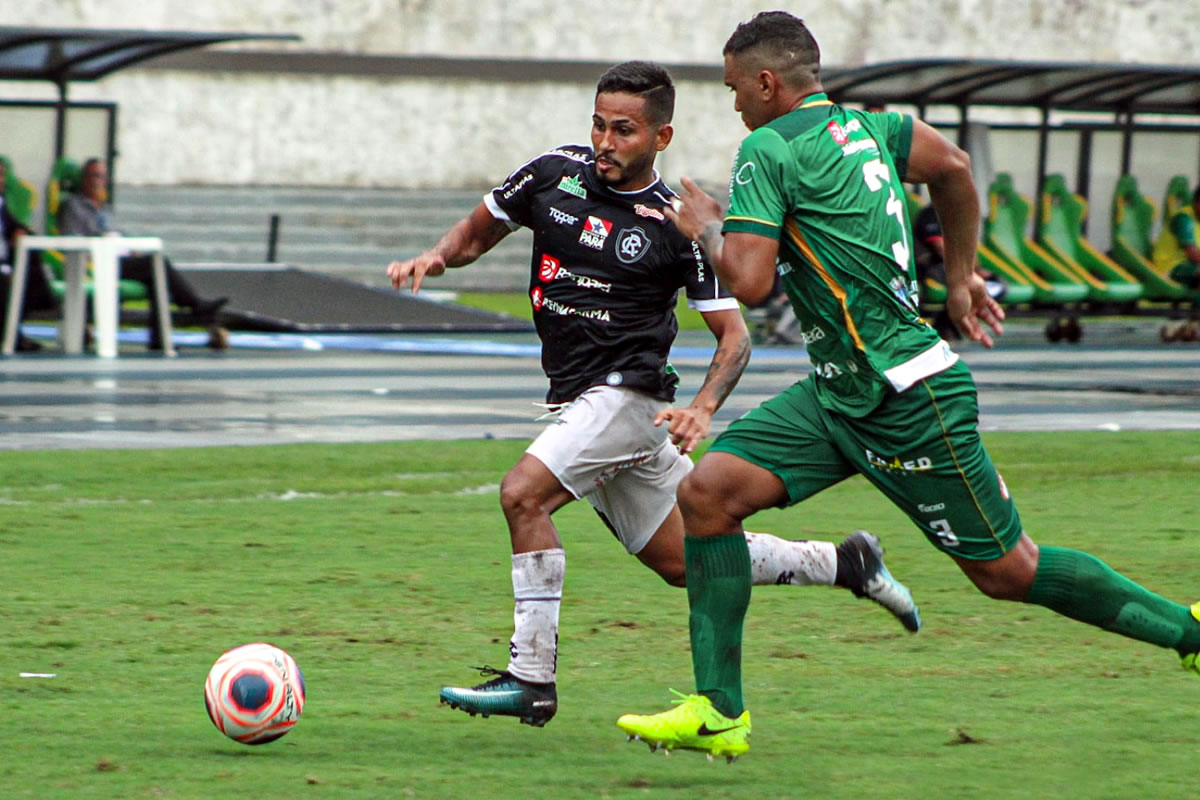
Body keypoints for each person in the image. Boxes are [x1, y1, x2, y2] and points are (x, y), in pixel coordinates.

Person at [617, 11, 1200, 761]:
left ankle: (1189, 632)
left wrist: (706, 226)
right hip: (837, 394)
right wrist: (959, 281)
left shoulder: (766, 147)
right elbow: (953, 165)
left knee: (1007, 571)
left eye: (735, 89)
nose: (734, 105)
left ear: (767, 83)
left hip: (906, 399)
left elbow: (752, 282)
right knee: (708, 495)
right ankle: (719, 710)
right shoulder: (877, 130)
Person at [386, 60, 920, 728]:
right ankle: (845, 563)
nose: (607, 142)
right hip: (579, 402)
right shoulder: (551, 173)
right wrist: (436, 257)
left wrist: (702, 409)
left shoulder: (672, 226)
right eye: (600, 125)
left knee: (522, 493)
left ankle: (531, 679)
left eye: (626, 130)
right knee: (686, 562)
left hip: (630, 401)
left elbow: (736, 337)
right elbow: (478, 231)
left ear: (660, 138)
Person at [56, 158, 227, 349]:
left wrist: (130, 248)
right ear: (83, 179)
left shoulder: (106, 209)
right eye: (94, 175)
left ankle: (159, 339)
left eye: (102, 176)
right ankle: (194, 305)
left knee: (155, 276)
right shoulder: (72, 206)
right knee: (156, 265)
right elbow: (72, 241)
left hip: (120, 258)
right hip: (96, 262)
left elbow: (118, 233)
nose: (98, 181)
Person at [912, 202, 1006, 339]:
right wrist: (965, 270)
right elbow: (941, 248)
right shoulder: (931, 215)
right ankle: (946, 324)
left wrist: (976, 271)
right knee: (962, 282)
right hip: (931, 268)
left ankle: (949, 323)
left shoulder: (958, 216)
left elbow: (968, 248)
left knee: (997, 284)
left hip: (955, 267)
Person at [0, 159, 58, 352]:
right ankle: (12, 333)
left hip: (5, 261)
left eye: (2, 176)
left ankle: (14, 330)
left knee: (32, 262)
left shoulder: (2, 203)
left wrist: (21, 231)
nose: (1, 181)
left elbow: (13, 224)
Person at [1152, 184, 1200, 291]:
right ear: (1196, 202)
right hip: (1169, 269)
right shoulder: (1183, 219)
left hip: (1190, 268)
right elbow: (1194, 256)